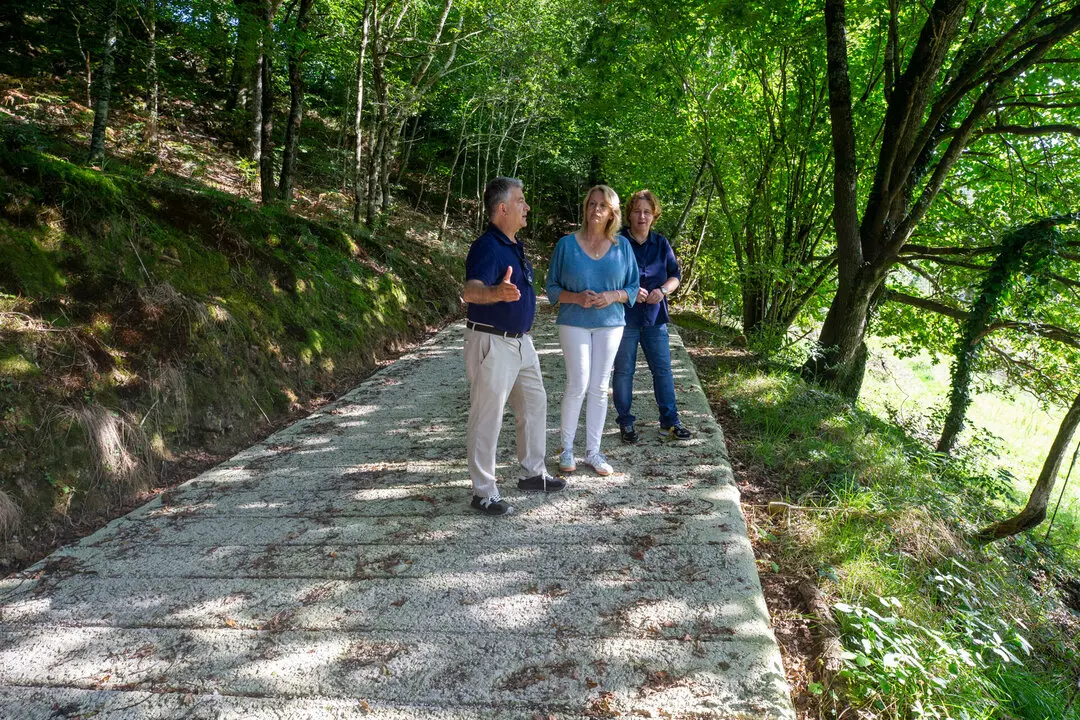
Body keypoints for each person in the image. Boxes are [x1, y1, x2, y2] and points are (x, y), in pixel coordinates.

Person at [463, 176, 566, 516]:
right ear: (503, 208)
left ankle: (533, 473)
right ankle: (483, 492)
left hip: (521, 343)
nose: (527, 207)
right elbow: (471, 290)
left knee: (535, 404)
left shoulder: (513, 244)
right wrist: (496, 293)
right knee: (487, 417)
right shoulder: (487, 247)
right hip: (493, 341)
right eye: (521, 201)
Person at [545, 185, 640, 476]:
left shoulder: (622, 247)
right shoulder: (566, 245)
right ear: (585, 208)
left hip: (611, 323)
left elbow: (633, 287)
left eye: (602, 206)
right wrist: (577, 297)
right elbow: (551, 288)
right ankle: (567, 449)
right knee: (578, 383)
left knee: (600, 388)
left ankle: (594, 452)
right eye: (592, 204)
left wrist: (613, 296)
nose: (596, 210)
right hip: (574, 320)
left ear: (612, 213)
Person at [612, 189, 693, 443]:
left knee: (663, 371)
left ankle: (669, 422)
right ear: (629, 214)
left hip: (655, 317)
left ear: (654, 215)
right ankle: (626, 423)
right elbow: (607, 277)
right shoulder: (616, 242)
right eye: (637, 211)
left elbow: (675, 276)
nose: (642, 216)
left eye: (647, 212)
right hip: (624, 318)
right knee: (624, 372)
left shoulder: (661, 243)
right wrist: (629, 292)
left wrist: (662, 290)